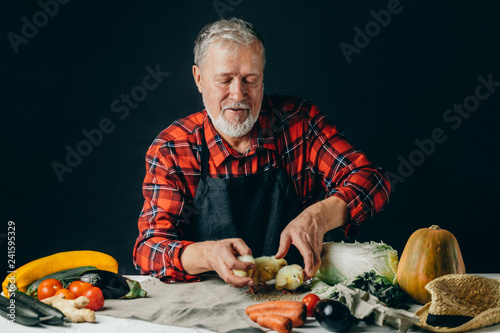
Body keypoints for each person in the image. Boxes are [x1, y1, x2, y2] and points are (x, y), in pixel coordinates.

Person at [133, 18, 391, 288]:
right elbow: (148, 249)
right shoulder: (173, 149)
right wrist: (207, 254)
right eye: (224, 80)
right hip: (206, 302)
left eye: (250, 80)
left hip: (297, 296)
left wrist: (317, 217)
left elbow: (372, 180)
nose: (239, 94)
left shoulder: (299, 123)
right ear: (198, 78)